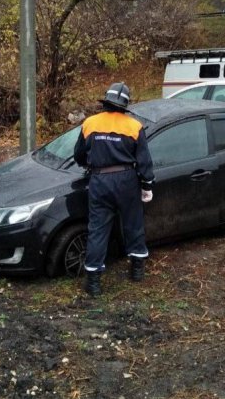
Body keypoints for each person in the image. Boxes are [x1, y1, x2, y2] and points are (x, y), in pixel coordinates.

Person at [73, 82, 155, 297]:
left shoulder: (90, 124)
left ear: (106, 102)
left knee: (98, 229)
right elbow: (144, 161)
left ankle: (93, 282)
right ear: (124, 105)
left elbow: (79, 155)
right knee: (133, 224)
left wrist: (89, 165)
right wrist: (147, 185)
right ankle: (136, 270)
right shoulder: (134, 127)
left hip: (99, 180)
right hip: (127, 180)